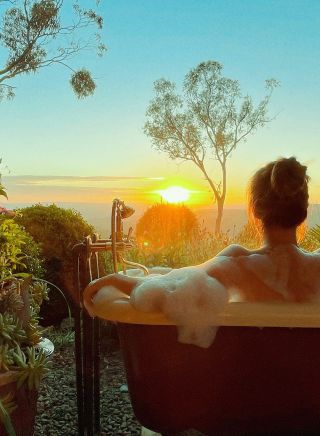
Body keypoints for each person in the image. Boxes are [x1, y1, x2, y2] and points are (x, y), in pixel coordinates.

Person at [85, 156, 320, 346]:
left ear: (257, 210)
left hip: (250, 381)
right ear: (304, 210)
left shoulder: (238, 264)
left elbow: (171, 289)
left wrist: (117, 279)